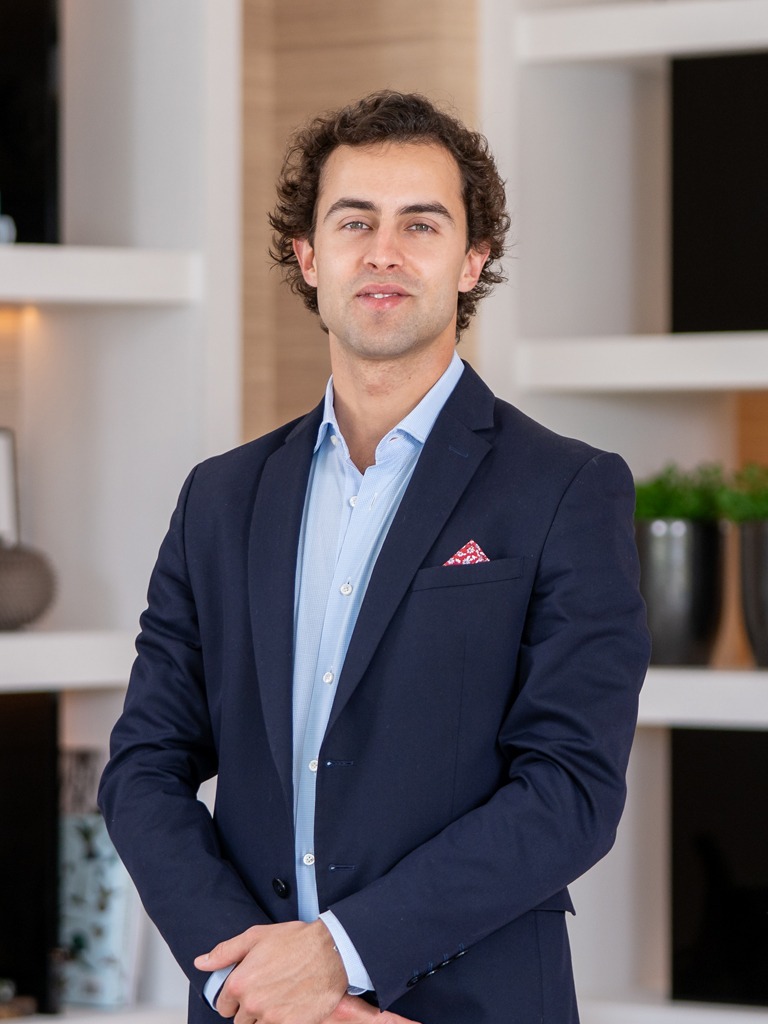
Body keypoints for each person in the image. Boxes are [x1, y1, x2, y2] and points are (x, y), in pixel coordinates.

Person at [98, 91, 651, 1024]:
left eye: (421, 224)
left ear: (473, 260)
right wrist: (253, 980)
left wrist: (338, 957)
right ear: (308, 256)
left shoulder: (568, 489)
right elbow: (143, 770)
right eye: (354, 222)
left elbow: (570, 791)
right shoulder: (220, 498)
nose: (383, 252)